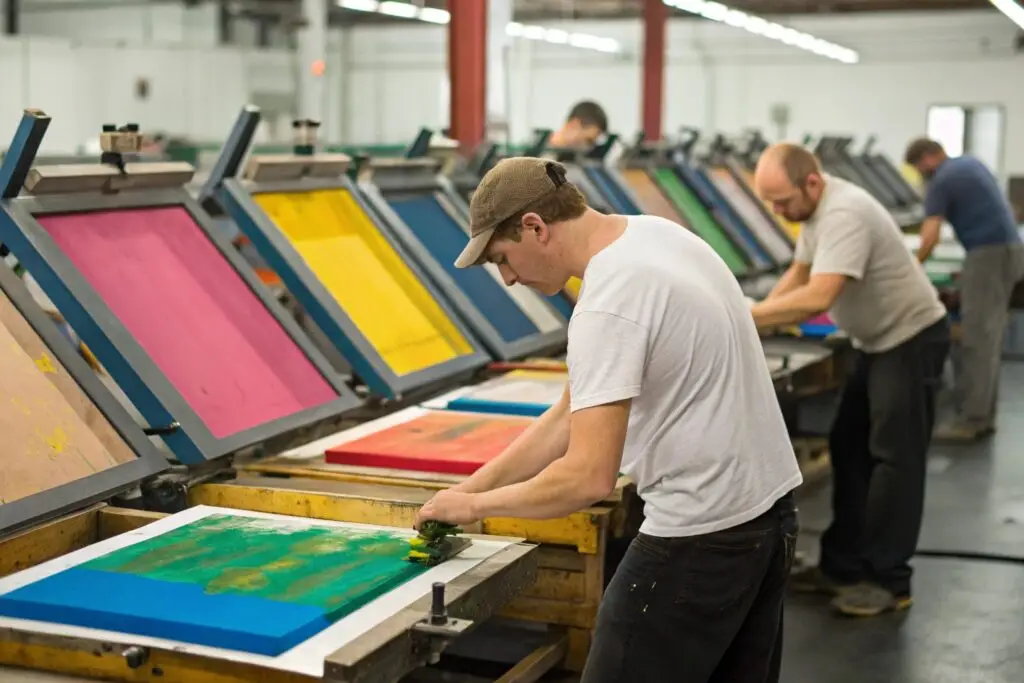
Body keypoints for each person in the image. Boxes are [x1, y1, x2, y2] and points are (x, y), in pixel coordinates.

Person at [416, 156, 802, 683]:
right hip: (769, 516)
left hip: (699, 538)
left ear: (535, 226)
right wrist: (463, 494)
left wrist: (480, 506)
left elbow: (588, 477)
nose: (507, 278)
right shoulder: (657, 236)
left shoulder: (608, 303)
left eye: (502, 258)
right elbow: (567, 416)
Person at [750, 143, 950, 618]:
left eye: (782, 201)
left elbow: (818, 295)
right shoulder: (815, 214)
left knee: (894, 461)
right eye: (771, 204)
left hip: (909, 339)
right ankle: (842, 566)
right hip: (874, 343)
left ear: (812, 183)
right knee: (848, 445)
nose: (779, 212)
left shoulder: (846, 214)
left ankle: (888, 580)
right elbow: (798, 275)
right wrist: (750, 322)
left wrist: (747, 316)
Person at [904, 138, 1024, 441]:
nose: (920, 175)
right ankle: (983, 414)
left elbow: (929, 234)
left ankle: (972, 420)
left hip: (987, 255)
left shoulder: (942, 179)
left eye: (919, 168)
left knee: (977, 339)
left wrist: (910, 267)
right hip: (1008, 250)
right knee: (988, 336)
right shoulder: (969, 163)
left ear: (927, 159)